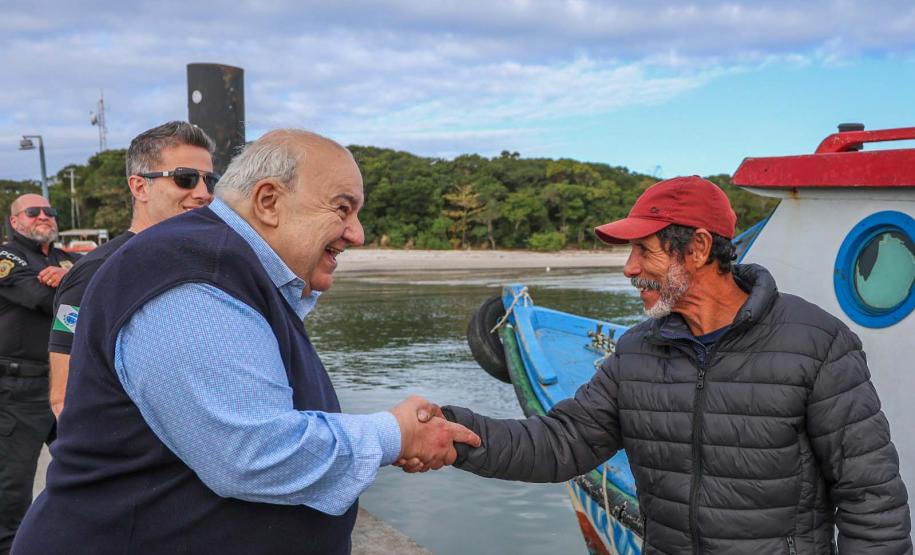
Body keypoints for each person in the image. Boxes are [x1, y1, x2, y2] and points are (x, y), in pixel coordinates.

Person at [12, 129, 479, 555]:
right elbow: (252, 453)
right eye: (342, 208)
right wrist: (393, 433)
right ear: (269, 201)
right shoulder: (193, 274)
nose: (356, 232)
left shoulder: (225, 269)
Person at [413, 176, 912, 553]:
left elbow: (872, 499)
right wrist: (454, 433)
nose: (629, 267)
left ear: (696, 248)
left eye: (643, 250)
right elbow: (560, 443)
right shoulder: (636, 352)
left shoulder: (817, 343)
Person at [47, 120, 217, 417]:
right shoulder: (95, 272)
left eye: (210, 180)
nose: (203, 193)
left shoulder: (203, 265)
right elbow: (64, 398)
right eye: (186, 178)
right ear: (140, 187)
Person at [0, 194, 78, 553]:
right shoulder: (6, 256)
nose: (44, 216)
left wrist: (71, 275)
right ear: (15, 221)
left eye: (50, 211)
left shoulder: (65, 260)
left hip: (68, 384)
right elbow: (40, 298)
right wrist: (77, 283)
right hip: (18, 389)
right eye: (33, 211)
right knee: (12, 489)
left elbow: (105, 279)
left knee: (85, 470)